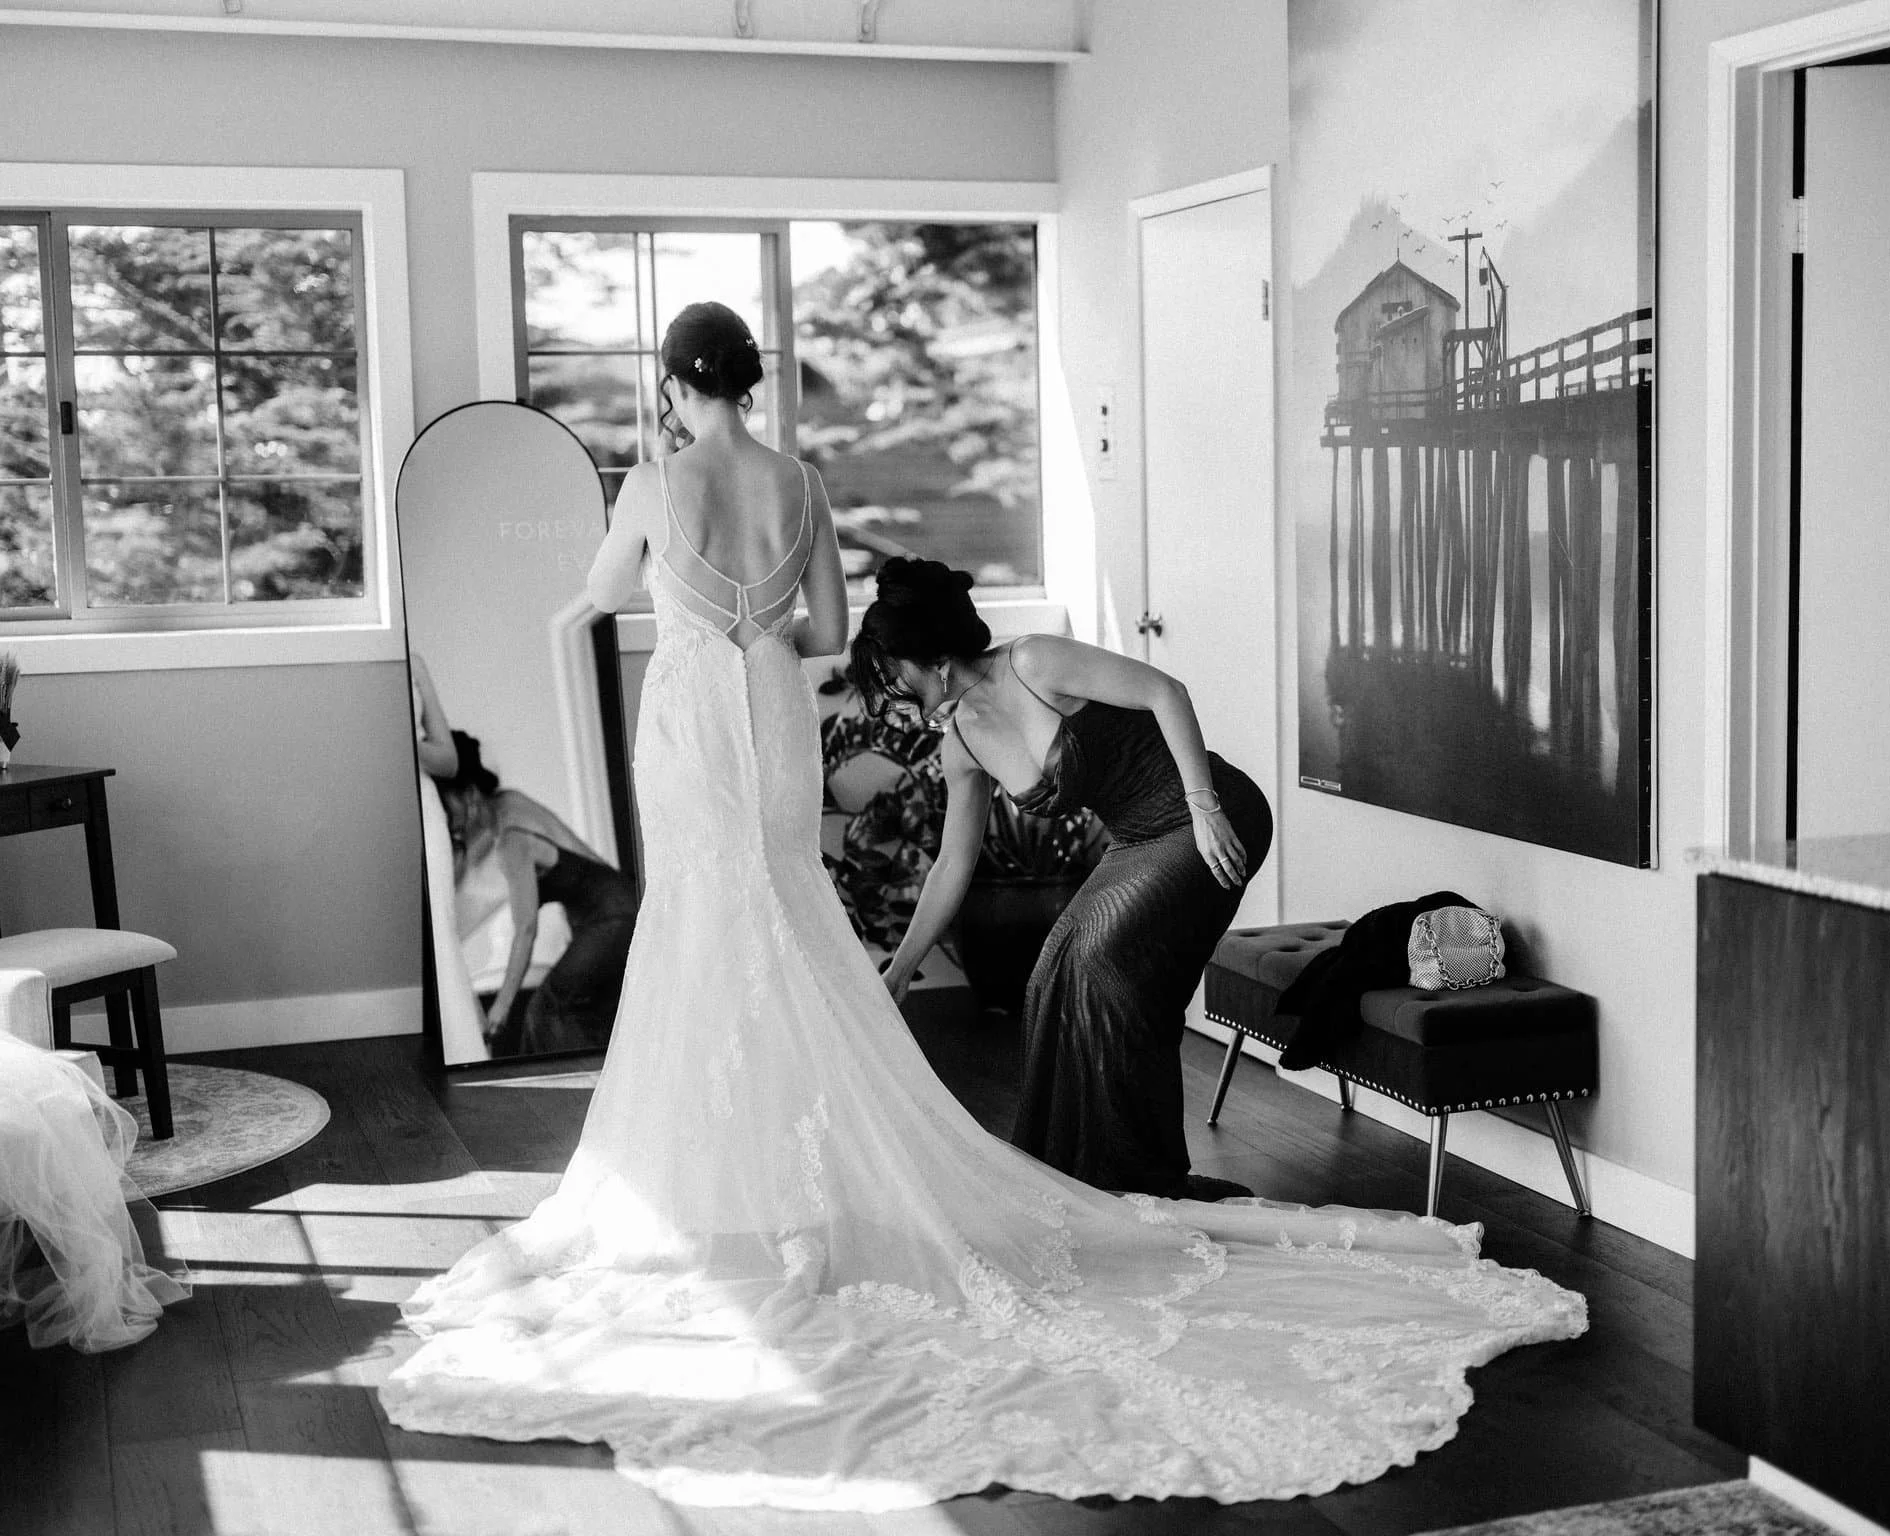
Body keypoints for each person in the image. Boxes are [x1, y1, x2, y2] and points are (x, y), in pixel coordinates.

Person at [376, 300, 1585, 1512]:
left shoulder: (650, 480)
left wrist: (653, 595)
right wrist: (760, 618)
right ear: (748, 379)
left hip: (694, 719)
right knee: (781, 915)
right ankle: (831, 1179)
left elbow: (595, 596)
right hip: (773, 716)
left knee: (702, 929)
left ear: (673, 385)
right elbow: (831, 633)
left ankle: (724, 1199)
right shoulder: (797, 483)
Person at [856, 560, 1271, 1200]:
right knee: (1055, 970)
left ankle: (1147, 1180)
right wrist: (902, 967)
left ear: (933, 658)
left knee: (1104, 960)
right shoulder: (961, 744)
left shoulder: (1034, 661)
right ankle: (1093, 1180)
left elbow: (1168, 692)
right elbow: (952, 862)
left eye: (892, 676)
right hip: (1138, 839)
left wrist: (1205, 806)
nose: (889, 694)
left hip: (1208, 813)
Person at [433, 731, 638, 1056]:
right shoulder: (507, 806)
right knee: (595, 1018)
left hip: (613, 914)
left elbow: (526, 930)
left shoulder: (511, 840)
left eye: (447, 810)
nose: (449, 823)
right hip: (614, 906)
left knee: (544, 1010)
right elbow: (472, 856)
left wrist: (500, 1008)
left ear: (470, 795)